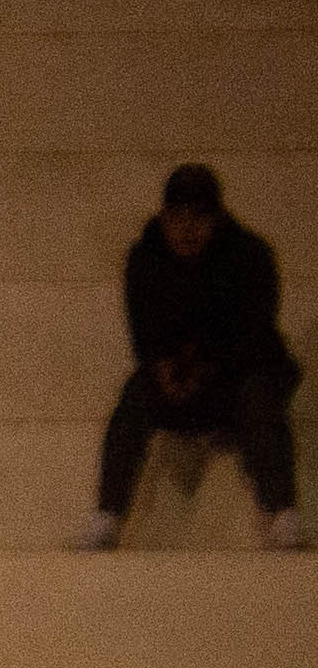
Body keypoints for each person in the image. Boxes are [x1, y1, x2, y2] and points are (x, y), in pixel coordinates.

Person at [81, 164, 303, 552]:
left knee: (259, 397)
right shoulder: (146, 258)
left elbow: (253, 333)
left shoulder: (249, 257)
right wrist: (163, 369)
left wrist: (205, 369)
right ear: (164, 220)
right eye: (177, 217)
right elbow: (143, 330)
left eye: (198, 217)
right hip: (182, 381)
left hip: (236, 377)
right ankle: (107, 516)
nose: (187, 229)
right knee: (135, 397)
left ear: (215, 221)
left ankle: (282, 512)